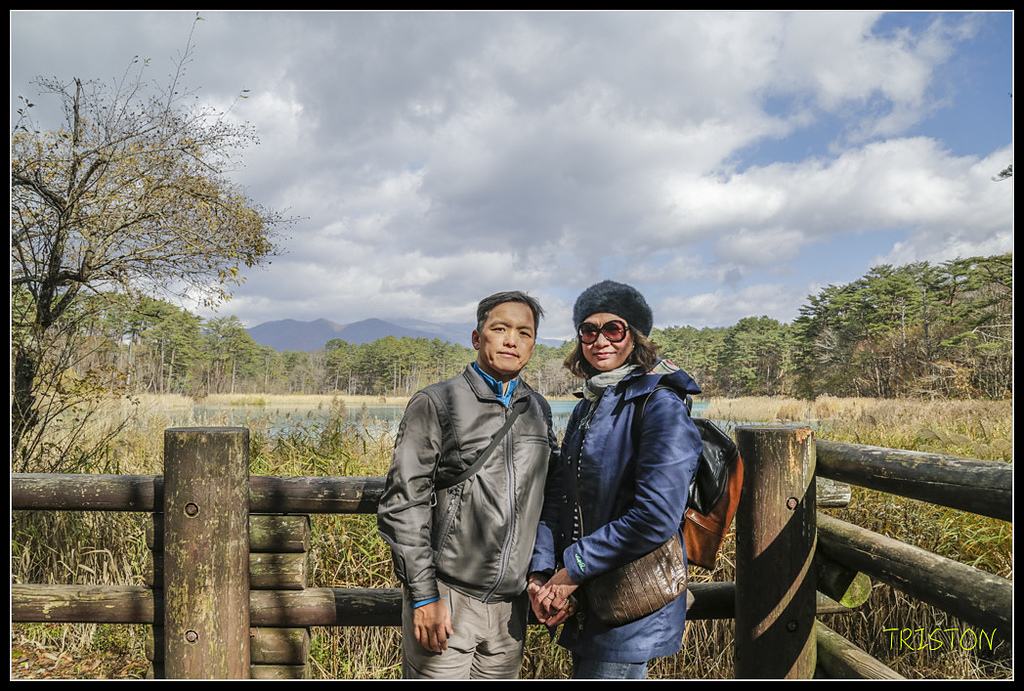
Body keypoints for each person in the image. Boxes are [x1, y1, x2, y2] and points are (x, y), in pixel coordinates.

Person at [527, 280, 703, 679]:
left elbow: (656, 516)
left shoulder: (660, 403)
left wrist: (570, 570)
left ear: (635, 337)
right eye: (589, 330)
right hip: (587, 600)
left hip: (628, 606)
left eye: (614, 328)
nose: (600, 339)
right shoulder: (588, 406)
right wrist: (541, 573)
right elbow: (559, 496)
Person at [377, 290, 558, 679]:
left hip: (511, 610)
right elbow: (403, 504)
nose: (512, 340)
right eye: (500, 329)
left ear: (532, 344)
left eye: (524, 333)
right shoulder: (437, 402)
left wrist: (542, 572)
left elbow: (547, 498)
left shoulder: (537, 409)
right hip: (447, 598)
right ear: (478, 338)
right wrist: (424, 594)